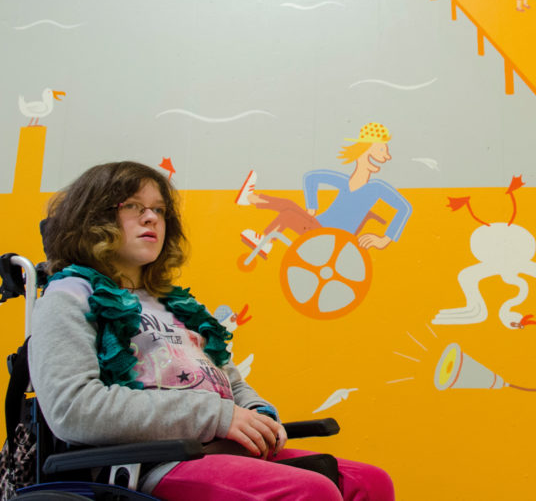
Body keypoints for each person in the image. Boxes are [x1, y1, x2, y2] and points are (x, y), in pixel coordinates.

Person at [29, 161, 394, 500]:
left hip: (218, 448)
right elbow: (73, 408)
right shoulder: (69, 297)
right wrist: (216, 416)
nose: (151, 218)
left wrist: (257, 412)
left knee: (370, 482)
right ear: (93, 217)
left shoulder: (176, 305)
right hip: (148, 463)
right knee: (309, 491)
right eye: (133, 206)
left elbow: (228, 383)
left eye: (159, 210)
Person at [237, 122, 412, 256]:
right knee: (289, 206)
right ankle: (253, 206)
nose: (387, 157)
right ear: (363, 151)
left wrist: (384, 240)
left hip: (330, 235)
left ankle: (262, 233)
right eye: (381, 149)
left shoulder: (376, 188)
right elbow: (311, 178)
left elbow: (405, 208)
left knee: (289, 212)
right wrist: (312, 208)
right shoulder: (345, 182)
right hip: (318, 227)